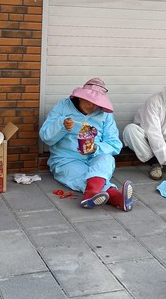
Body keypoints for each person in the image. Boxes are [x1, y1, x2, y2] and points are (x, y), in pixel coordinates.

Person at [39, 78, 132, 211]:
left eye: (96, 103)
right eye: (88, 100)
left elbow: (114, 144)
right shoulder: (63, 106)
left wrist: (95, 149)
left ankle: (91, 194)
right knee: (82, 175)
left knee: (106, 159)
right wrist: (62, 125)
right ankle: (117, 198)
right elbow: (45, 137)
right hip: (66, 159)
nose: (91, 106)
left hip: (95, 156)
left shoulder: (105, 114)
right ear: (80, 97)